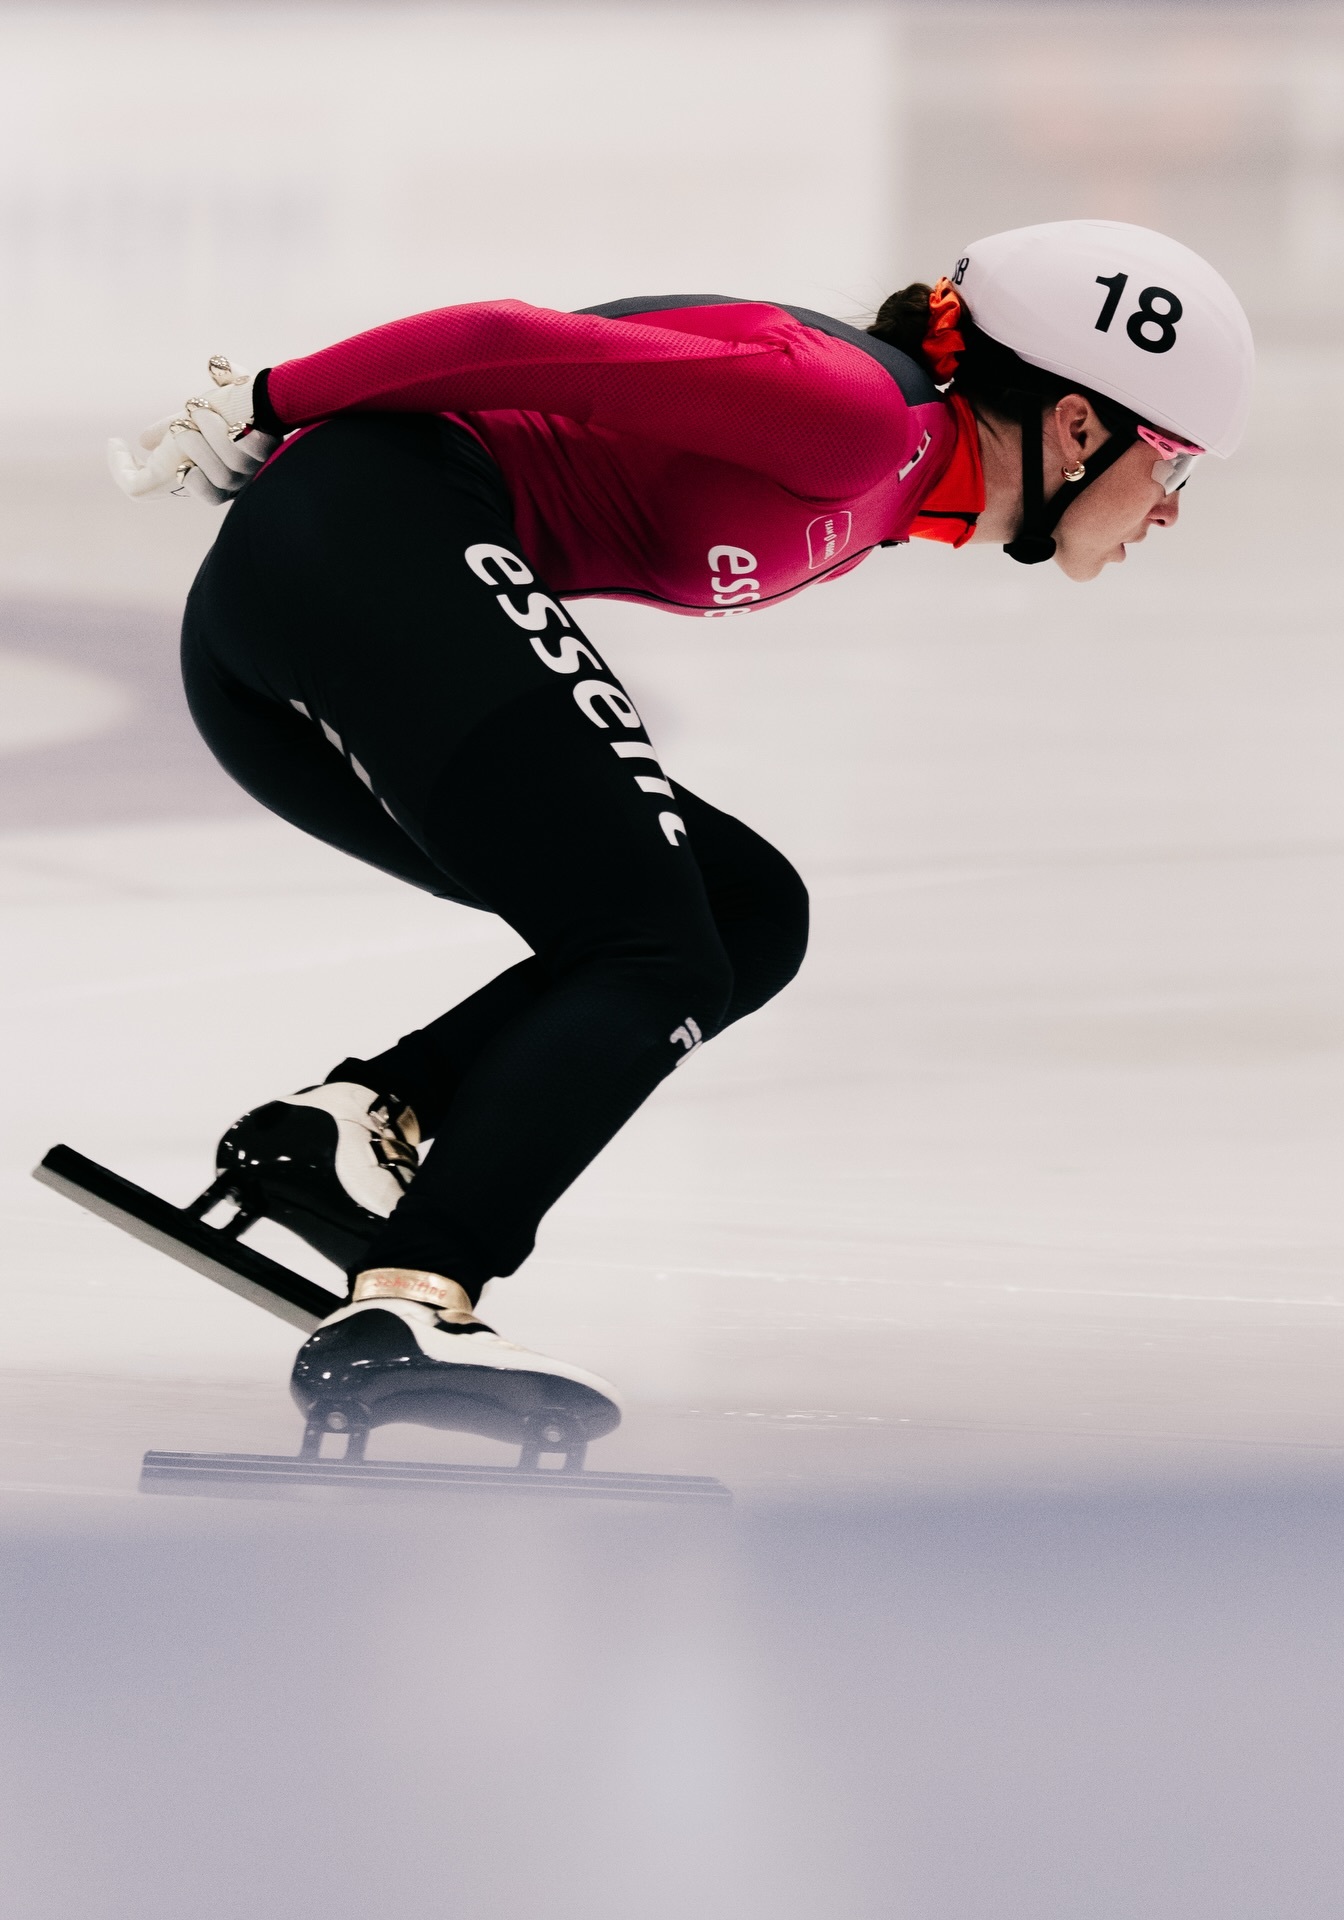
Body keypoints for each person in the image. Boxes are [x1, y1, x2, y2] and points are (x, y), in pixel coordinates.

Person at [108, 219, 1253, 1452]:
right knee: (653, 947)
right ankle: (414, 1296)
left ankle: (353, 1124)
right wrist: (269, 401)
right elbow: (509, 338)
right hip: (355, 554)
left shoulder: (901, 477)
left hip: (304, 615)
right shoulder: (858, 417)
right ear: (1078, 424)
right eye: (1175, 464)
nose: (1169, 509)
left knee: (743, 912)